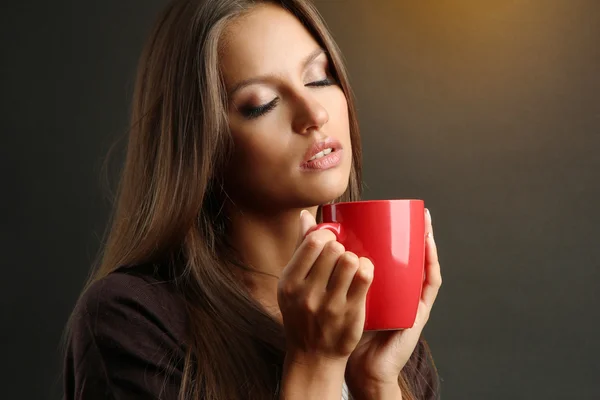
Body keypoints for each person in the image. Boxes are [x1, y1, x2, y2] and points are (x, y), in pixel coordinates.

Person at [63, 0, 443, 399]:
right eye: (261, 103)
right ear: (202, 145)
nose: (314, 112)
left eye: (319, 79)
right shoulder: (131, 322)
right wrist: (316, 362)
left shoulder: (378, 325)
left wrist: (377, 381)